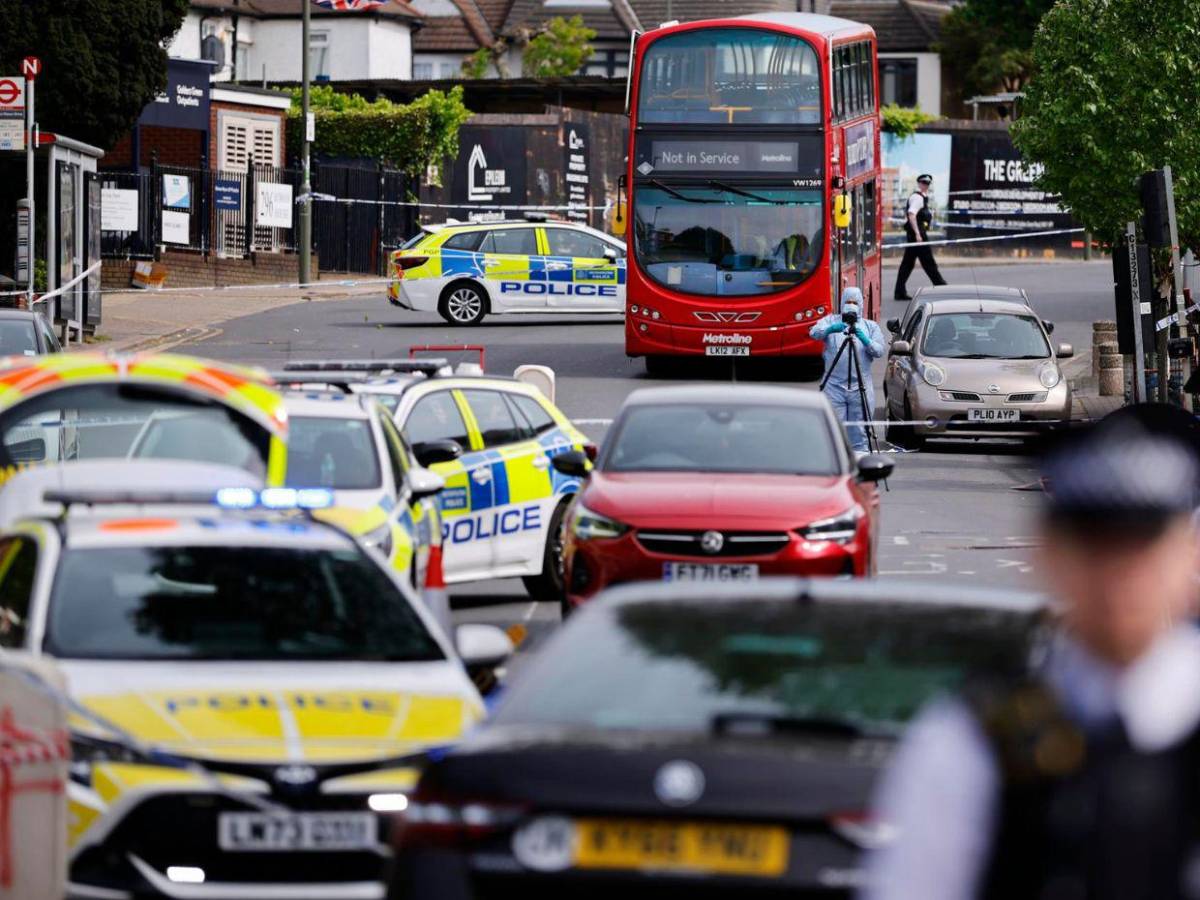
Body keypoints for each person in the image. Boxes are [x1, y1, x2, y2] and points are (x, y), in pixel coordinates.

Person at [862, 405, 1200, 900]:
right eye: (1092, 548)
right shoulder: (972, 737)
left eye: (1142, 547)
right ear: (1046, 555)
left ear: (1188, 555)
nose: (1119, 578)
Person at [809, 286, 885, 453]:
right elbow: (813, 333)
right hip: (834, 386)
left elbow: (879, 351)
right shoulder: (831, 321)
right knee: (834, 431)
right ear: (842, 302)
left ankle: (861, 466)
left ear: (861, 304)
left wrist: (864, 339)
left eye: (855, 302)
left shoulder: (870, 327)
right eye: (848, 302)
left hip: (860, 387)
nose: (851, 306)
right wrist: (830, 329)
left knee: (860, 434)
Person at [894, 173, 947, 300]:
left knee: (908, 264)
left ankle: (899, 291)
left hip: (915, 234)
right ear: (919, 183)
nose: (925, 185)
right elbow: (911, 215)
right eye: (923, 182)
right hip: (918, 235)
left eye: (927, 183)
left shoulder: (921, 197)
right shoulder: (917, 198)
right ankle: (942, 288)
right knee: (929, 263)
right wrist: (917, 234)